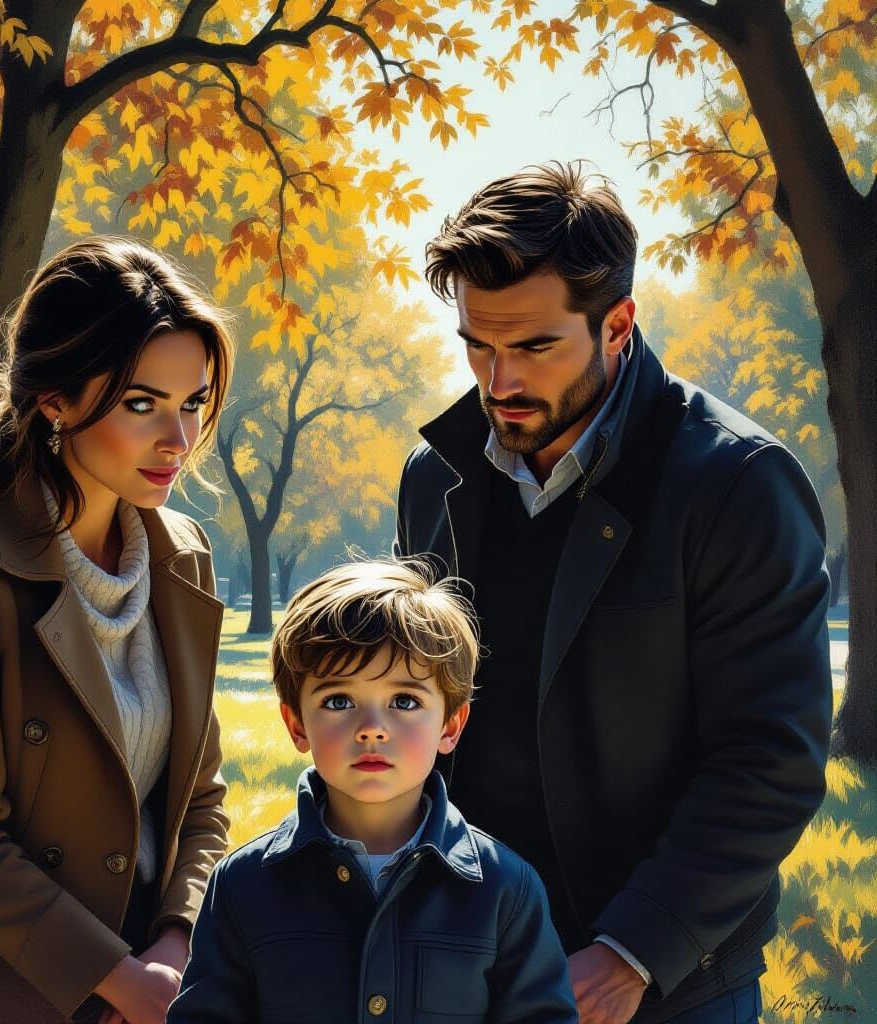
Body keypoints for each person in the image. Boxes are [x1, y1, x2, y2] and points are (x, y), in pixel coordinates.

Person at [393, 162, 832, 1024]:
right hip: (467, 963)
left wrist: (633, 952)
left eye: (533, 346)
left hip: (668, 983)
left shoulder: (738, 485)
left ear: (618, 324)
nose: (498, 381)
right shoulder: (432, 479)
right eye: (478, 345)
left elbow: (770, 759)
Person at [0, 237, 235, 1024]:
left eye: (193, 402)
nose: (179, 438)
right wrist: (125, 981)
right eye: (142, 404)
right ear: (55, 399)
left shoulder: (184, 557)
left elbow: (199, 794)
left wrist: (174, 941)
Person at [167, 559, 578, 1023]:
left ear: (451, 724)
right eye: (338, 701)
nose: (371, 729)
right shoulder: (241, 885)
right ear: (296, 724)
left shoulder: (508, 890)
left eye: (404, 701)